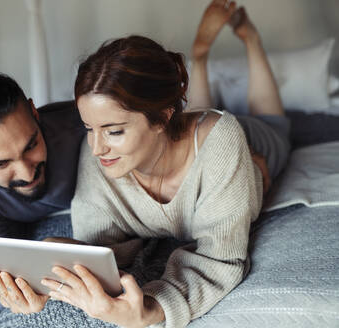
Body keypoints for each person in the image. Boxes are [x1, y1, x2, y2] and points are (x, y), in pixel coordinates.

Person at [39, 1, 291, 327]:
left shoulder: (221, 142)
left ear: (161, 117)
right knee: (189, 122)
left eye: (114, 130)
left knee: (274, 125)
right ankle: (199, 58)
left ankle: (247, 39)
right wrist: (50, 264)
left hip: (252, 143)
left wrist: (152, 309)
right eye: (89, 128)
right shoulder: (101, 152)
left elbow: (222, 258)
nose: (96, 147)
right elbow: (98, 248)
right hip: (177, 134)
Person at [0, 73, 85, 312]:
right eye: (0, 164)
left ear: (35, 112)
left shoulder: (82, 127)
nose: (27, 174)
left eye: (31, 145)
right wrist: (18, 295)